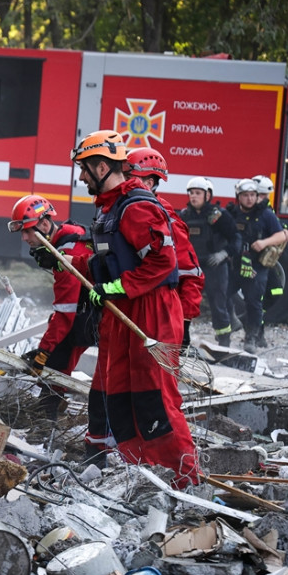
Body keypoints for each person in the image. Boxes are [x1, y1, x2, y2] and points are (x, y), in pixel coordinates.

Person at [68, 130, 199, 488]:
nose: (81, 178)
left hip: (151, 310)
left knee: (155, 396)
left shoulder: (137, 207)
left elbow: (163, 262)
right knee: (123, 393)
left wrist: (115, 288)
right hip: (127, 310)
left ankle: (183, 477)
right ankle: (141, 471)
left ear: (100, 166)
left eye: (84, 169)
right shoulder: (111, 209)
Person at [10, 194, 99, 424]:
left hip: (100, 314)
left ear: (45, 224)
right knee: (61, 350)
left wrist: (43, 351)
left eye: (28, 231)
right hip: (93, 310)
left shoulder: (67, 254)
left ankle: (46, 418)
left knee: (56, 357)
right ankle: (53, 405)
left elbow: (65, 313)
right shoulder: (67, 238)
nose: (24, 238)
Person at [126, 148, 204, 348]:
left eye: (128, 176)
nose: (121, 182)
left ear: (148, 183)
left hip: (160, 315)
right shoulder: (124, 210)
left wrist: (184, 322)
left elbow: (190, 274)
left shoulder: (166, 219)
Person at [228, 178, 288, 353]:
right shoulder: (231, 213)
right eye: (245, 195)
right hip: (236, 265)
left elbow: (282, 235)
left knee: (254, 302)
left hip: (257, 266)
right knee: (221, 294)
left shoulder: (266, 214)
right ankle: (229, 327)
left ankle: (252, 338)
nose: (249, 199)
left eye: (253, 195)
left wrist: (263, 243)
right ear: (238, 196)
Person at [180, 177, 241, 347]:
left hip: (216, 267)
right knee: (186, 304)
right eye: (191, 193)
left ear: (207, 195)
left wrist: (224, 254)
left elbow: (236, 238)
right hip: (192, 267)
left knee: (218, 305)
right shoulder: (184, 216)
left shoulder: (219, 216)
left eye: (198, 193)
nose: (193, 197)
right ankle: (183, 342)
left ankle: (224, 342)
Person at [251, 174, 288, 348]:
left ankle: (255, 318)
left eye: (266, 196)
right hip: (251, 260)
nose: (265, 199)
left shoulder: (267, 211)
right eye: (262, 195)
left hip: (266, 262)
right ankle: (255, 334)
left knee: (275, 292)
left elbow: (283, 231)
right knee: (254, 298)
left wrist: (282, 235)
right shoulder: (247, 212)